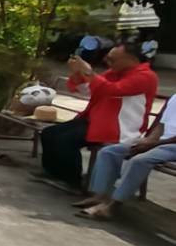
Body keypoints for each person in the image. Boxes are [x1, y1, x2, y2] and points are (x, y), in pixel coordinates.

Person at [38, 40, 158, 191]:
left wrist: (88, 72)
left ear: (131, 59)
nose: (107, 62)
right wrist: (78, 72)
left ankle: (72, 181)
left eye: (112, 59)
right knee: (49, 133)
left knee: (66, 140)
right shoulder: (114, 73)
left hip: (118, 128)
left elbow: (113, 90)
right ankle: (53, 173)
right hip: (96, 120)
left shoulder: (146, 76)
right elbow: (88, 90)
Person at [77, 96, 176, 219]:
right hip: (160, 142)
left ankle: (114, 205)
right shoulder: (174, 98)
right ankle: (100, 197)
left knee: (140, 161)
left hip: (171, 146)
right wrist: (148, 141)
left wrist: (153, 144)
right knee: (109, 152)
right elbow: (161, 125)